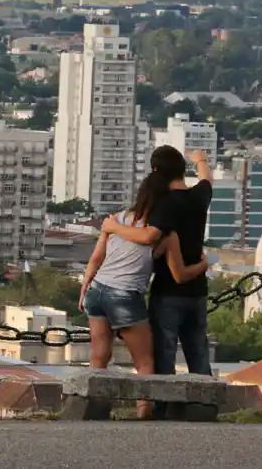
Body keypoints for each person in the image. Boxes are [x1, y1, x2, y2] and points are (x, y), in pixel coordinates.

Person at [80, 166, 208, 419]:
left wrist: (84, 289)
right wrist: (203, 265)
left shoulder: (116, 220)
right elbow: (179, 274)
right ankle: (144, 412)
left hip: (97, 291)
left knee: (99, 356)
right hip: (125, 295)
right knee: (145, 361)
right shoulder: (164, 234)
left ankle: (91, 409)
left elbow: (95, 259)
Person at [102, 146, 214, 382]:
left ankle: (165, 408)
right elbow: (207, 180)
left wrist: (113, 227)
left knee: (165, 354)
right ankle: (204, 407)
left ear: (155, 170)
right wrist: (200, 159)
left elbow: (148, 236)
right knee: (198, 352)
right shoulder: (199, 197)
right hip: (198, 289)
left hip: (167, 290)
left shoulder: (165, 204)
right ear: (182, 170)